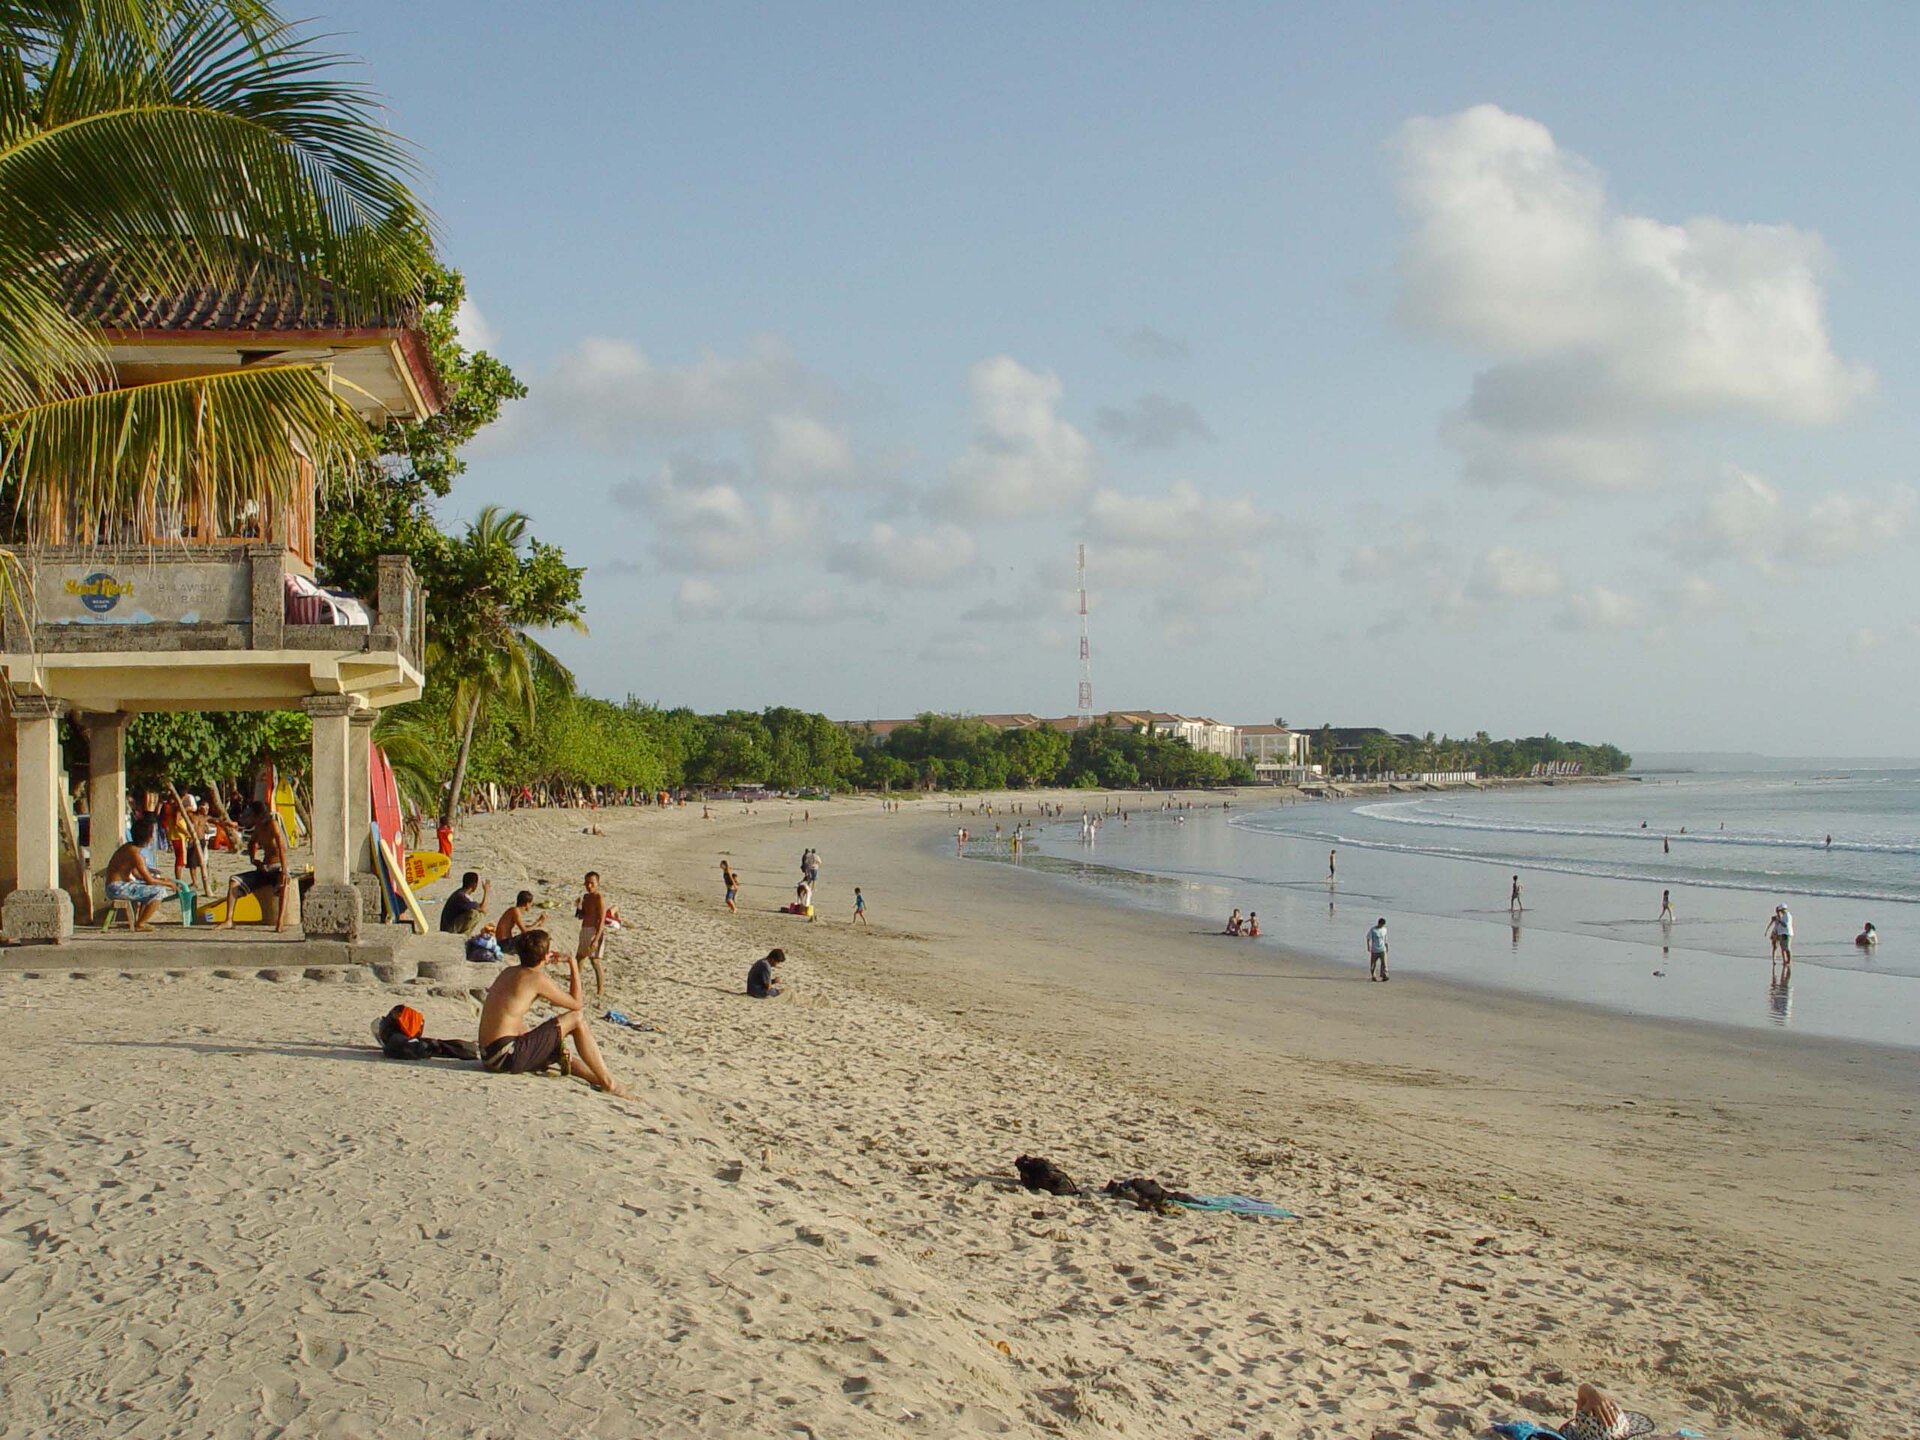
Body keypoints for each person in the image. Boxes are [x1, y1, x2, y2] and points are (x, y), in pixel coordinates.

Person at [477, 930, 627, 1096]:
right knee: (577, 1019)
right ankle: (610, 1084)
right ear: (544, 956)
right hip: (505, 1057)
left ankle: (597, 1079)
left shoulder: (508, 972)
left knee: (555, 1047)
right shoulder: (536, 979)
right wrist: (572, 964)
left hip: (489, 1055)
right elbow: (577, 1004)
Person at [217, 801, 291, 933]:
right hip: (264, 868)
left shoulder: (272, 824)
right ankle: (228, 919)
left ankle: (279, 923)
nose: (250, 817)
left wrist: (284, 869)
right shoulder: (258, 828)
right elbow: (252, 844)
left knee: (285, 883)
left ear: (258, 815)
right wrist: (254, 860)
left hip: (278, 866)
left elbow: (282, 847)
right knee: (234, 881)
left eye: (252, 814)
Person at [103, 819, 173, 930]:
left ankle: (139, 920)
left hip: (115, 886)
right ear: (147, 836)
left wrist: (160, 879)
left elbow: (138, 874)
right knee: (160, 891)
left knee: (150, 889)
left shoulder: (128, 847)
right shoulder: (135, 854)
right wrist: (168, 883)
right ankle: (141, 923)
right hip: (117, 888)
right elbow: (149, 880)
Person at [575, 871, 608, 996]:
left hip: (594, 931)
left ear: (597, 884)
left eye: (592, 883)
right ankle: (577, 982)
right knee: (580, 957)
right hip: (585, 929)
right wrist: (578, 907)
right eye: (587, 883)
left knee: (595, 961)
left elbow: (601, 920)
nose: (589, 886)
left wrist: (596, 938)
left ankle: (600, 990)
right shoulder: (586, 897)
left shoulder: (599, 898)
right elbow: (582, 915)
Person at [438, 872, 489, 936]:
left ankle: (466, 933)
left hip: (450, 925)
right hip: (449, 929)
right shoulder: (461, 897)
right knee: (475, 914)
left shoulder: (460, 893)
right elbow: (481, 908)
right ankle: (465, 934)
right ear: (474, 885)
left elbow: (479, 907)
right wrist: (486, 892)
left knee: (478, 913)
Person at [495, 890, 535, 954]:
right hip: (504, 944)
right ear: (527, 903)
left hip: (503, 943)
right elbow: (525, 931)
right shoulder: (515, 911)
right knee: (530, 937)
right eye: (531, 904)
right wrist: (538, 922)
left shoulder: (513, 910)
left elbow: (524, 927)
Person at [1366, 917, 1389, 981]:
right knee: (1373, 963)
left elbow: (1385, 938)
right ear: (1379, 923)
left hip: (1382, 949)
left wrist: (1387, 946)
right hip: (1374, 949)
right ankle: (1373, 975)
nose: (1382, 926)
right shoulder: (1373, 930)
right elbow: (1368, 938)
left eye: (1383, 925)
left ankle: (1384, 975)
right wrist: (1368, 946)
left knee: (1384, 963)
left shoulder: (1384, 929)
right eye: (1381, 924)